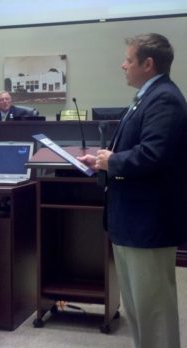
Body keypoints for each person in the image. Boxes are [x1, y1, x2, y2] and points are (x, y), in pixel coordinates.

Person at [78, 33, 187, 348]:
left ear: (148, 64)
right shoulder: (146, 96)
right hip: (130, 221)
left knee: (154, 309)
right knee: (139, 309)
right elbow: (135, 150)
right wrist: (102, 161)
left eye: (128, 59)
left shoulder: (165, 98)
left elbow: (154, 154)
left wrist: (113, 160)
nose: (122, 65)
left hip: (148, 223)